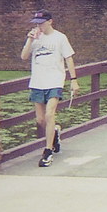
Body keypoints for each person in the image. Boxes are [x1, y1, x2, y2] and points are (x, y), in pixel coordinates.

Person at [20, 9, 80, 167]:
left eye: (42, 23)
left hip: (54, 81)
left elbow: (69, 58)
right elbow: (24, 56)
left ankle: (47, 151)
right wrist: (30, 40)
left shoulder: (60, 38)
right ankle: (55, 133)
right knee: (40, 119)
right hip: (38, 82)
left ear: (50, 21)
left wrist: (73, 80)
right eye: (36, 23)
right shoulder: (35, 39)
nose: (39, 26)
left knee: (49, 114)